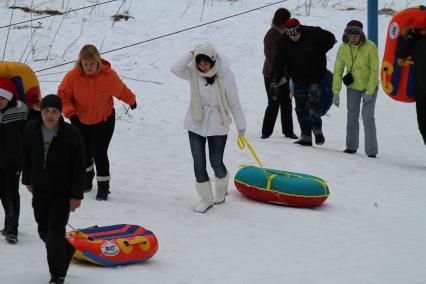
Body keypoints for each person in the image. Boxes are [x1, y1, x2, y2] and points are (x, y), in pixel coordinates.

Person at [170, 43, 246, 213]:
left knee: (216, 162)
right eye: (199, 62)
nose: (202, 66)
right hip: (196, 122)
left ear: (213, 60)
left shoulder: (225, 75)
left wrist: (241, 125)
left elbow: (234, 102)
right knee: (199, 163)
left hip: (218, 124)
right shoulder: (193, 74)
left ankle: (221, 189)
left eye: (206, 62)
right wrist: (191, 52)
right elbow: (174, 68)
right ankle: (206, 199)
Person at [58, 44, 137, 200]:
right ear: (80, 63)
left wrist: (131, 100)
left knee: (99, 153)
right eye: (85, 64)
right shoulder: (72, 77)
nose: (89, 67)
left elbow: (120, 90)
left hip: (104, 120)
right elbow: (63, 97)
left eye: (92, 64)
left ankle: (103, 187)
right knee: (84, 153)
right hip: (80, 121)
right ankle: (87, 180)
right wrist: (71, 115)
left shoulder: (108, 75)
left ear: (98, 62)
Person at [22, 95, 85, 284]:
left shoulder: (71, 134)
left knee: (55, 232)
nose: (50, 115)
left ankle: (57, 274)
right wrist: (28, 180)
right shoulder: (31, 129)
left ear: (60, 113)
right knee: (43, 230)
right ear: (41, 111)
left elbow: (79, 166)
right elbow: (26, 155)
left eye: (54, 112)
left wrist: (76, 195)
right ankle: (66, 250)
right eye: (46, 111)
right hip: (40, 189)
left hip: (62, 192)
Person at [272, 18, 336, 146]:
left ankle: (317, 131)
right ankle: (305, 136)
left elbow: (331, 38)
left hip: (316, 77)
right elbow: (279, 63)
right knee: (300, 108)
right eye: (291, 35)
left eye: (296, 34)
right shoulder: (283, 42)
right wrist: (275, 80)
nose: (294, 37)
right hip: (298, 79)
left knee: (313, 106)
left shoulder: (313, 32)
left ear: (300, 30)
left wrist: (320, 52)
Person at [332, 20, 379, 158]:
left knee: (367, 117)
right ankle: (351, 147)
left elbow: (374, 70)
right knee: (352, 116)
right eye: (350, 35)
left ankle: (371, 151)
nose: (352, 38)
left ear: (361, 34)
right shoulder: (343, 47)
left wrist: (369, 91)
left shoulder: (371, 47)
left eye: (355, 35)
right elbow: (338, 69)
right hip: (353, 86)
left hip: (369, 86)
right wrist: (336, 91)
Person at [261, 8, 297, 140]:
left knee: (287, 102)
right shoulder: (271, 35)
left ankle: (288, 131)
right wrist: (278, 76)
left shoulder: (287, 33)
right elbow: (272, 58)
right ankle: (266, 132)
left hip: (286, 75)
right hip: (272, 75)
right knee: (273, 102)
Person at [0, 78, 29, 244]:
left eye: (2, 99)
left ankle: (13, 228)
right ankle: (8, 222)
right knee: (2, 192)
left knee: (11, 192)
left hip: (14, 160)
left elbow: (33, 129)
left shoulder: (21, 110)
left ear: (9, 97)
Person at [397, 29, 426, 145]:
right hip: (421, 88)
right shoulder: (417, 41)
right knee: (423, 125)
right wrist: (410, 37)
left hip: (420, 86)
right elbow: (400, 53)